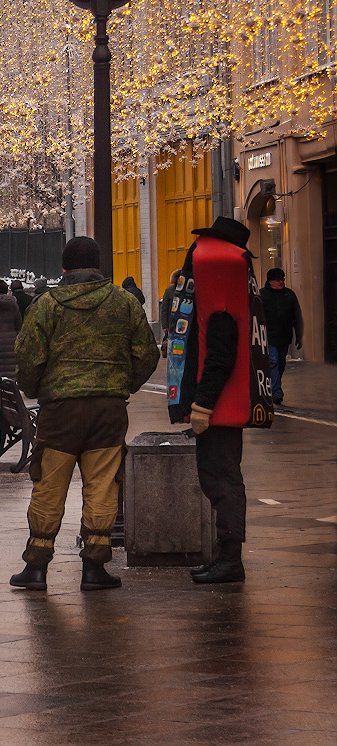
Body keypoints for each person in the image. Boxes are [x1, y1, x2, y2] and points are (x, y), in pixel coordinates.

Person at [11, 237, 158, 592]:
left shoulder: (45, 306)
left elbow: (28, 358)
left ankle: (36, 568)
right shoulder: (124, 303)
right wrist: (122, 385)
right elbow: (148, 354)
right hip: (107, 411)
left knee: (48, 485)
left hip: (60, 412)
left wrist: (37, 391)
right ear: (99, 266)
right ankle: (94, 567)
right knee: (103, 485)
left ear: (63, 267)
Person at [167, 218, 273, 584]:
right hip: (217, 405)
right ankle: (226, 556)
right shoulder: (221, 289)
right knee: (217, 477)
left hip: (217, 408)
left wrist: (203, 404)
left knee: (222, 478)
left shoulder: (219, 294)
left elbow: (219, 356)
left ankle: (231, 559)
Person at [260, 267, 303, 406]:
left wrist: (299, 336)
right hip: (268, 337)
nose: (281, 282)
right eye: (278, 279)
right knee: (273, 361)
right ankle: (277, 391)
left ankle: (273, 386)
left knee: (281, 364)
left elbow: (297, 316)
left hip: (284, 336)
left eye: (282, 279)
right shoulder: (262, 295)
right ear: (270, 281)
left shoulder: (289, 295)